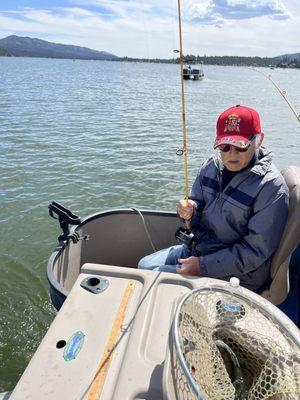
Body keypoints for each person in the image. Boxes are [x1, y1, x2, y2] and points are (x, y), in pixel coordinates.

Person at [138, 105, 289, 292]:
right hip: (198, 250)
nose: (231, 155)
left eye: (240, 147)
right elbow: (196, 206)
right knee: (144, 265)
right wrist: (190, 210)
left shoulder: (271, 188)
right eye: (224, 147)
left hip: (239, 273)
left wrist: (202, 266)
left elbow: (254, 252)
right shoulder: (210, 166)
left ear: (258, 140)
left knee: (151, 277)